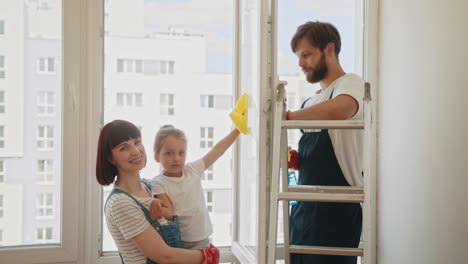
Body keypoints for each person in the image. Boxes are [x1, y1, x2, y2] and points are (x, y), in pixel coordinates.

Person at [287, 21, 364, 264]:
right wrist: (296, 160)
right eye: (299, 57)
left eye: (307, 55)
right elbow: (319, 154)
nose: (301, 64)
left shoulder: (351, 84)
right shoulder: (309, 103)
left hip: (337, 210)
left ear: (329, 49)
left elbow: (341, 109)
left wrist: (287, 118)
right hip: (303, 210)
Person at [96, 120, 219, 264]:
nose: (136, 151)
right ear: (110, 158)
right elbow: (164, 256)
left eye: (137, 142)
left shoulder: (150, 186)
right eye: (124, 148)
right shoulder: (120, 203)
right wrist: (207, 256)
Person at [148, 125, 240, 250]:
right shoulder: (158, 182)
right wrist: (156, 205)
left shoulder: (193, 170)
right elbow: (169, 213)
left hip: (202, 238)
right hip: (180, 240)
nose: (176, 158)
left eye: (181, 153)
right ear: (157, 157)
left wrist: (237, 130)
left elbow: (218, 150)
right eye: (169, 153)